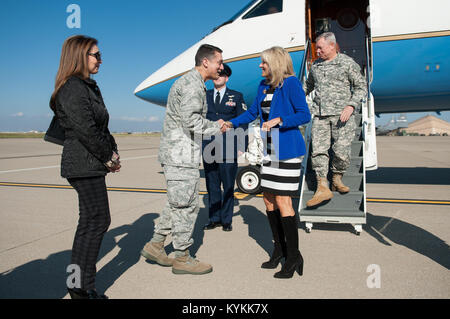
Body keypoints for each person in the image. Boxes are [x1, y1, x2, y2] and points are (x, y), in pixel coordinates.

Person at [223, 46, 311, 279]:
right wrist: (231, 123)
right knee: (268, 199)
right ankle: (278, 250)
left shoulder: (291, 84)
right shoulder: (263, 86)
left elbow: (304, 114)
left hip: (288, 150)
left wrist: (279, 120)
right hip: (269, 151)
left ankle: (293, 257)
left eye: (264, 62)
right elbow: (252, 112)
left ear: (275, 63)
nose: (260, 65)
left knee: (283, 201)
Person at [140, 44, 225, 275]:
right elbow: (192, 122)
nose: (221, 66)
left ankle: (156, 245)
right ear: (205, 62)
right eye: (219, 61)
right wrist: (217, 127)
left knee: (176, 202)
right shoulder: (191, 85)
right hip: (180, 155)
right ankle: (182, 257)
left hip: (179, 154)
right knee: (186, 206)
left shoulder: (191, 82)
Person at [50, 35, 121, 299]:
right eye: (96, 55)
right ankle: (79, 286)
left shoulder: (87, 86)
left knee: (91, 222)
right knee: (97, 221)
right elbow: (86, 130)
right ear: (80, 56)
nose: (100, 59)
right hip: (83, 163)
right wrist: (108, 157)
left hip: (90, 162)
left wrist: (113, 151)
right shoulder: (72, 88)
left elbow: (101, 126)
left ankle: (81, 285)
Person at [303, 32, 367, 207]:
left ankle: (337, 178)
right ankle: (322, 186)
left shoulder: (347, 63)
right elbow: (308, 86)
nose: (317, 52)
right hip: (321, 115)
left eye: (321, 48)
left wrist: (351, 105)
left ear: (332, 46)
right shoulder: (316, 66)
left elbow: (361, 87)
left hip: (342, 115)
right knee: (318, 151)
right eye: (316, 48)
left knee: (341, 151)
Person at [203, 63, 247, 232]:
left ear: (226, 78)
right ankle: (214, 218)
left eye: (222, 75)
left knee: (228, 185)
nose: (218, 77)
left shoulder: (236, 96)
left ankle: (226, 220)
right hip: (209, 146)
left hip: (229, 147)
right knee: (212, 184)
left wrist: (241, 145)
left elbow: (242, 122)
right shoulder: (204, 95)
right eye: (217, 74)